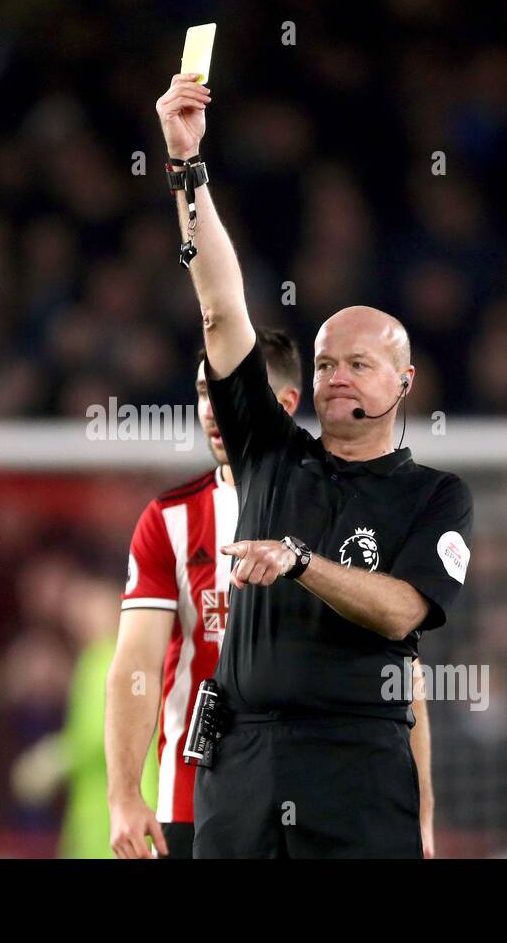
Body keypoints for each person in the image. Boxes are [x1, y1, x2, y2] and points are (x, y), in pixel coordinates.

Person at [155, 75, 473, 857]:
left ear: (404, 383)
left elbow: (403, 612)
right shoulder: (269, 449)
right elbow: (220, 306)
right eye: (326, 362)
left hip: (358, 766)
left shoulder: (435, 496)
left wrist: (300, 563)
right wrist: (186, 165)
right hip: (243, 764)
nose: (335, 376)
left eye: (358, 364)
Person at [107, 330, 439, 858]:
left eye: (225, 395)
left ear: (282, 404)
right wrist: (124, 794)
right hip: (194, 803)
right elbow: (135, 666)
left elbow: (401, 674)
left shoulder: (340, 512)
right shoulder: (170, 519)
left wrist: (419, 815)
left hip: (324, 798)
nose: (211, 409)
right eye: (200, 392)